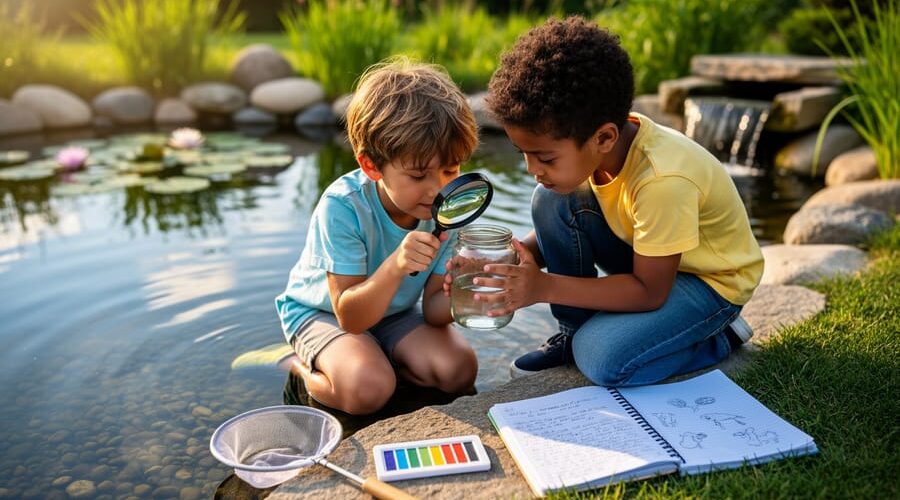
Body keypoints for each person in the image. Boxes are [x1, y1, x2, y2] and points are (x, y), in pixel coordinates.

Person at [472, 17, 763, 386]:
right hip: (655, 258)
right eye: (523, 154)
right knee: (551, 198)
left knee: (602, 359)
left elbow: (649, 291)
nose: (533, 168)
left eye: (545, 158)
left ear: (604, 137)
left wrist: (543, 287)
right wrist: (512, 259)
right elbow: (568, 221)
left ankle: (719, 336)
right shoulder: (604, 145)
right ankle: (573, 331)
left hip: (708, 283)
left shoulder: (662, 181)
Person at [276, 59, 479, 415]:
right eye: (418, 176)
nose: (438, 189)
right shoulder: (343, 207)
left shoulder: (447, 206)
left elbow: (432, 310)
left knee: (458, 371)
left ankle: (377, 360)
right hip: (324, 313)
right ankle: (299, 365)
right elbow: (350, 318)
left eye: (450, 170)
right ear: (371, 166)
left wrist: (467, 293)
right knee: (367, 391)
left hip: (393, 312)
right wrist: (397, 266)